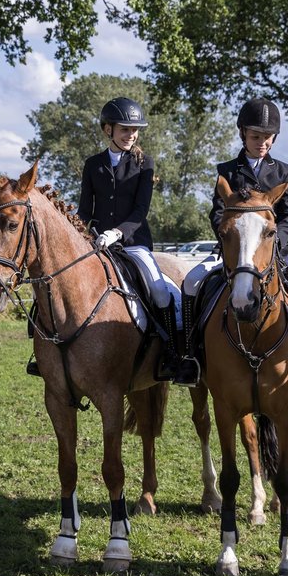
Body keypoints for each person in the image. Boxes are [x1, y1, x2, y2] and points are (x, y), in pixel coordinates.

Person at [176, 96, 288, 383]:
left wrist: (275, 244)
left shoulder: (283, 171)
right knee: (191, 282)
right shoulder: (227, 171)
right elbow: (218, 212)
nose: (262, 142)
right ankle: (190, 356)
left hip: (276, 248)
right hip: (233, 250)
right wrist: (228, 242)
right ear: (243, 134)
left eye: (267, 137)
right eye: (256, 136)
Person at [77, 96, 181, 378]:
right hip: (97, 244)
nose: (131, 135)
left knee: (160, 291)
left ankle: (174, 350)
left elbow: (140, 210)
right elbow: (85, 210)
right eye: (125, 129)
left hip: (133, 244)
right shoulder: (93, 164)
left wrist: (117, 232)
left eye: (134, 130)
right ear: (108, 130)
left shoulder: (144, 164)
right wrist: (80, 235)